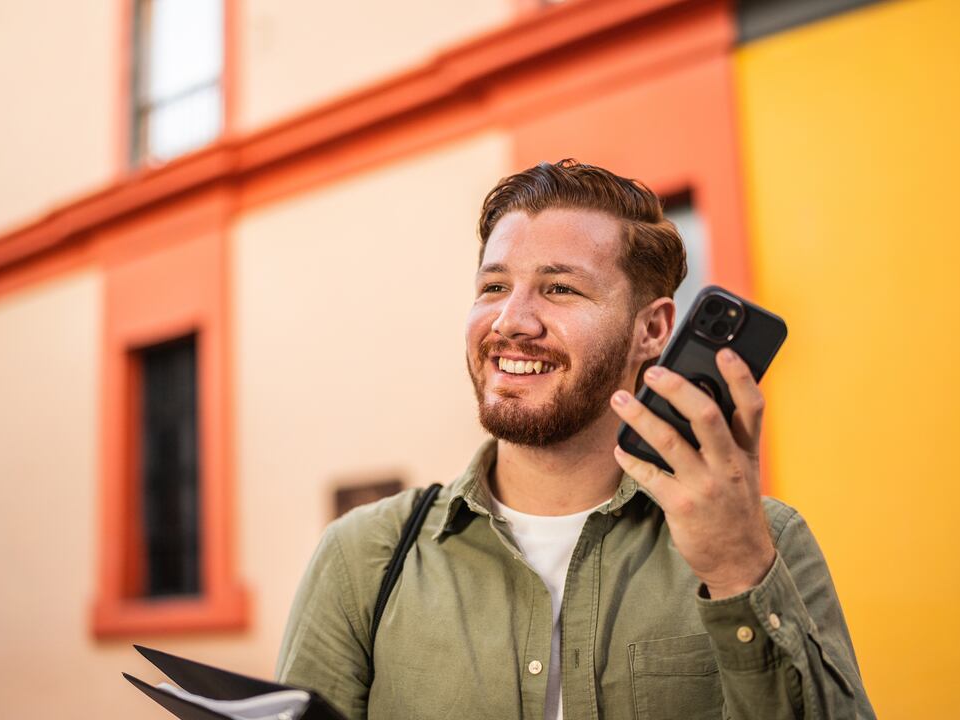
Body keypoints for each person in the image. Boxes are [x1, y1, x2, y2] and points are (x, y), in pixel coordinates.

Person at [276, 159, 875, 719]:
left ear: (653, 328)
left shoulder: (767, 543)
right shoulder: (363, 558)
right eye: (493, 287)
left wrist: (739, 572)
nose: (512, 320)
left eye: (560, 289)